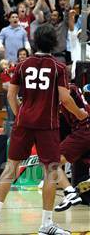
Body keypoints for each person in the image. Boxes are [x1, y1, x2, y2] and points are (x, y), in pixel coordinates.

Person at [0, 24, 88, 235]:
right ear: (54, 43)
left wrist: (21, 113)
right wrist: (80, 114)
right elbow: (65, 99)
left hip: (24, 123)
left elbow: (11, 96)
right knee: (50, 171)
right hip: (47, 125)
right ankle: (46, 224)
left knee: (11, 168)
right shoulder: (59, 68)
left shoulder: (22, 65)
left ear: (34, 42)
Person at [54, 83, 90, 212]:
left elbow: (66, 99)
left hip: (83, 130)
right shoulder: (72, 88)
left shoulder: (64, 89)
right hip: (82, 130)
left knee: (52, 163)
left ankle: (70, 193)